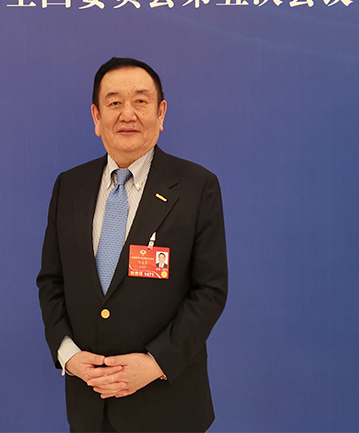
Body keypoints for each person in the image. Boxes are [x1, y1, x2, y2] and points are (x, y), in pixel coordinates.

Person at [37, 57, 228, 432]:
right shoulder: (69, 187)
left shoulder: (196, 187)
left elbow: (209, 291)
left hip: (168, 405)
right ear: (96, 117)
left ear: (161, 113)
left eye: (141, 101)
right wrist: (67, 354)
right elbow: (52, 281)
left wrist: (157, 363)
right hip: (89, 406)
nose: (128, 114)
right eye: (114, 103)